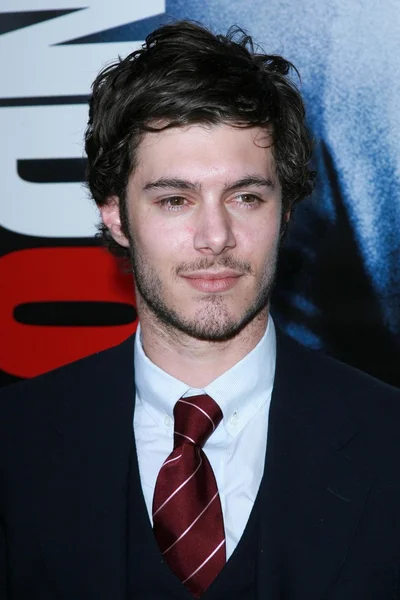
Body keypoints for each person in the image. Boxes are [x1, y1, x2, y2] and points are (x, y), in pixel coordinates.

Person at [1, 20, 399, 600]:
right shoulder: (14, 441)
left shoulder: (389, 440)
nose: (215, 236)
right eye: (174, 199)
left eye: (245, 197)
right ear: (115, 214)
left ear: (285, 211)